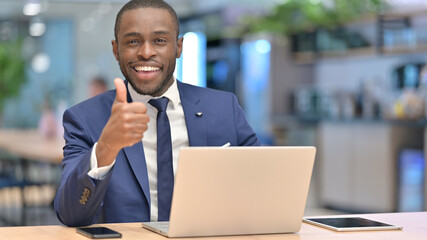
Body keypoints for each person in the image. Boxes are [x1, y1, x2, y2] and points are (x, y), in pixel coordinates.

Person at [54, 0, 260, 227]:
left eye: (160, 41)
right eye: (133, 41)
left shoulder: (224, 107)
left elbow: (264, 185)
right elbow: (70, 215)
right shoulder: (84, 118)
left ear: (178, 47)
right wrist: (105, 147)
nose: (146, 52)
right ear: (116, 49)